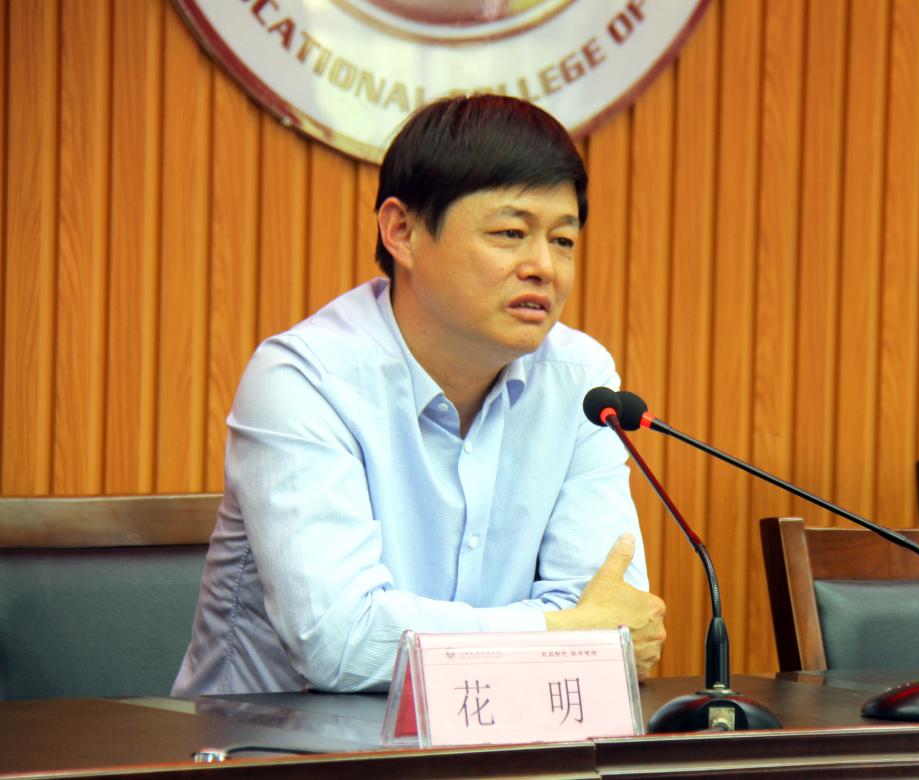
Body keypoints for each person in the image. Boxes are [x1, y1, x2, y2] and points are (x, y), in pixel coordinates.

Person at [172, 94, 665, 696]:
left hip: (501, 735)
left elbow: (610, 606)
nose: (544, 267)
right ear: (402, 232)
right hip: (277, 739)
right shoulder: (305, 380)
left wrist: (577, 630)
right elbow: (340, 642)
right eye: (511, 233)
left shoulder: (581, 380)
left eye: (563, 240)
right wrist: (561, 632)